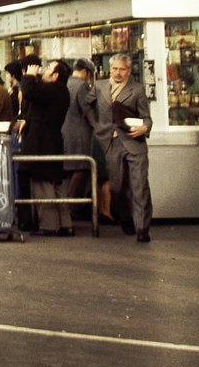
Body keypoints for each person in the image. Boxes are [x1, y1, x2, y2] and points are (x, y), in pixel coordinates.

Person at [93, 52, 154, 240]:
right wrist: (95, 125)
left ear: (129, 71)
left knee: (139, 186)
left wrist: (145, 127)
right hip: (111, 143)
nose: (117, 73)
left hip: (134, 142)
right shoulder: (99, 86)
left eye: (122, 69)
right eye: (114, 69)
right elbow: (86, 105)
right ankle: (126, 218)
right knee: (117, 188)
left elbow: (146, 117)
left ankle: (142, 229)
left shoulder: (137, 90)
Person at [19, 57, 74, 234]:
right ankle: (65, 224)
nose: (43, 69)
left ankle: (49, 225)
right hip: (51, 141)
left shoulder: (54, 89)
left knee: (42, 184)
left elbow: (29, 91)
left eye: (49, 68)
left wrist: (29, 76)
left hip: (41, 143)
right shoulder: (59, 91)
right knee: (55, 184)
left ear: (56, 75)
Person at [61, 58, 104, 223]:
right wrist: (98, 127)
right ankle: (70, 208)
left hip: (65, 132)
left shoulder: (65, 83)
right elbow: (88, 110)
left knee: (69, 171)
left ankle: (67, 207)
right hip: (80, 134)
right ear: (85, 71)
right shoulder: (82, 86)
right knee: (82, 167)